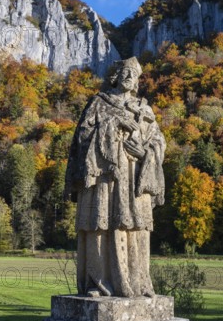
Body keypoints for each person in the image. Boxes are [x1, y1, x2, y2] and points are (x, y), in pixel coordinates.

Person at [65, 57, 166, 297]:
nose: (129, 76)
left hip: (135, 178)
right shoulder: (99, 104)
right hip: (105, 177)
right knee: (100, 223)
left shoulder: (145, 110)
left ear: (138, 81)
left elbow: (159, 142)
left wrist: (144, 153)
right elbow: (82, 137)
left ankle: (138, 281)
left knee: (137, 227)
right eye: (125, 72)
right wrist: (112, 124)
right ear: (116, 76)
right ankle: (98, 282)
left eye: (134, 73)